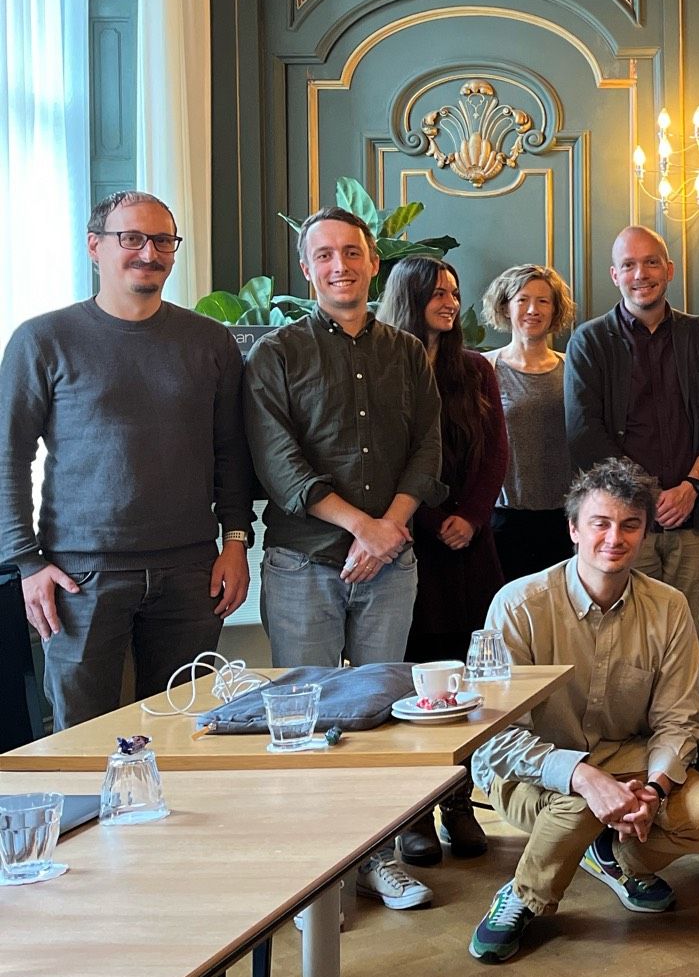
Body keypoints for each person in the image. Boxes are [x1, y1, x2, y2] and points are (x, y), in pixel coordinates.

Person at [244, 206, 444, 910]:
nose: (340, 266)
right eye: (324, 254)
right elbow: (278, 463)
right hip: (304, 564)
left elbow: (428, 450)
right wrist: (365, 527)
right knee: (302, 723)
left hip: (390, 568)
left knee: (383, 717)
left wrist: (388, 530)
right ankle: (310, 881)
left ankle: (376, 859)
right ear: (308, 268)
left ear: (372, 263)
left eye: (351, 253)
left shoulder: (405, 353)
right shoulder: (276, 354)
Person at [0, 192, 254, 729]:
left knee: (186, 732)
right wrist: (27, 563)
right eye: (131, 238)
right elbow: (8, 456)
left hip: (191, 573)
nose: (148, 252)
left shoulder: (210, 342)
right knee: (81, 738)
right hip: (78, 577)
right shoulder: (42, 340)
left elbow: (232, 451)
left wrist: (235, 542)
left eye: (162, 240)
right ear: (95, 246)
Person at [467, 459, 699, 963]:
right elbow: (496, 736)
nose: (616, 537)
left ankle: (613, 856)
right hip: (526, 773)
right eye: (601, 523)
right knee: (585, 799)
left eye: (630, 525)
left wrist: (654, 790)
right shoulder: (519, 605)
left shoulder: (670, 607)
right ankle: (523, 896)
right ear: (573, 529)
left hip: (625, 759)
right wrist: (586, 779)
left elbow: (678, 720)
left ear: (645, 532)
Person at [379, 255, 508, 865]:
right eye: (438, 293)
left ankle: (459, 800)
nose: (451, 302)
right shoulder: (384, 367)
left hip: (469, 547)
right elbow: (384, 462)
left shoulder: (476, 369)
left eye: (455, 293)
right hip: (408, 542)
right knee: (410, 683)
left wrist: (472, 517)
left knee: (461, 680)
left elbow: (495, 455)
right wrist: (429, 520)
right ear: (410, 297)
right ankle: (414, 814)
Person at [566, 225, 699, 649]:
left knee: (691, 638)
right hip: (621, 523)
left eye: (651, 262)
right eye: (629, 265)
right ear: (614, 275)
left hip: (694, 517)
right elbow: (585, 434)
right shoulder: (589, 342)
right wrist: (646, 496)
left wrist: (691, 487)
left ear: (670, 269)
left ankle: (681, 719)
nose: (640, 273)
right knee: (622, 640)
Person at [482, 263, 578, 580]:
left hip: (563, 518)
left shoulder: (572, 370)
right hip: (502, 518)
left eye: (543, 301)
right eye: (523, 300)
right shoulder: (485, 369)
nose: (533, 310)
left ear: (555, 310)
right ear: (506, 307)